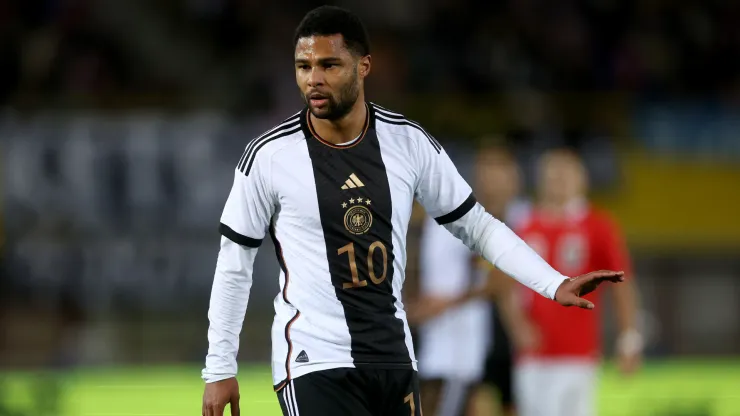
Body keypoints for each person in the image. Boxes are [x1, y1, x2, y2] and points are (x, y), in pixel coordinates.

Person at [200, 6, 625, 416]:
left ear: (363, 66)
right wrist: (219, 367)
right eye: (303, 66)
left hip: (393, 357)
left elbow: (476, 226)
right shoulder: (269, 156)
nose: (314, 79)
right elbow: (235, 262)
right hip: (314, 359)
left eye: (329, 65)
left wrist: (552, 282)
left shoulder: (408, 143)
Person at [512, 149, 642, 416]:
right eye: (552, 173)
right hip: (532, 355)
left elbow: (622, 286)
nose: (558, 180)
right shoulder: (524, 225)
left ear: (582, 180)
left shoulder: (598, 226)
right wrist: (517, 324)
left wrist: (629, 339)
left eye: (566, 173)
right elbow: (506, 285)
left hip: (578, 354)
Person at [410, 147, 530, 416]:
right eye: (487, 174)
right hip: (464, 339)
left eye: (500, 174)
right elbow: (436, 284)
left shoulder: (528, 218)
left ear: (515, 179)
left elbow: (502, 281)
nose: (493, 182)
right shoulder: (451, 219)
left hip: (514, 333)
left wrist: (454, 300)